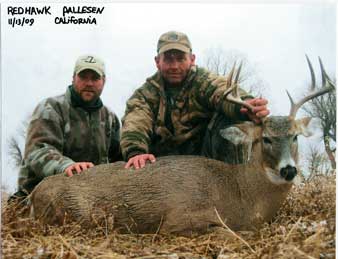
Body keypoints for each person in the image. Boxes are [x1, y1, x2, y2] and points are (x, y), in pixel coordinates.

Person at [121, 31, 269, 169]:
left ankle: (231, 180)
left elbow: (221, 91)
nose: (174, 66)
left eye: (180, 59)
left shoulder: (203, 81)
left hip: (204, 159)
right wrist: (136, 151)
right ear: (157, 61)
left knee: (227, 119)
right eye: (168, 59)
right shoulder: (145, 94)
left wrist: (246, 106)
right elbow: (136, 120)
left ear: (192, 60)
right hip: (160, 165)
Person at [14, 55, 121, 199]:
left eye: (95, 78)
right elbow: (37, 151)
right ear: (73, 78)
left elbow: (119, 159)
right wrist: (67, 166)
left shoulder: (110, 117)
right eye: (83, 77)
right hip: (38, 196)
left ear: (104, 81)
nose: (89, 83)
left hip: (91, 196)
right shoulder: (51, 108)